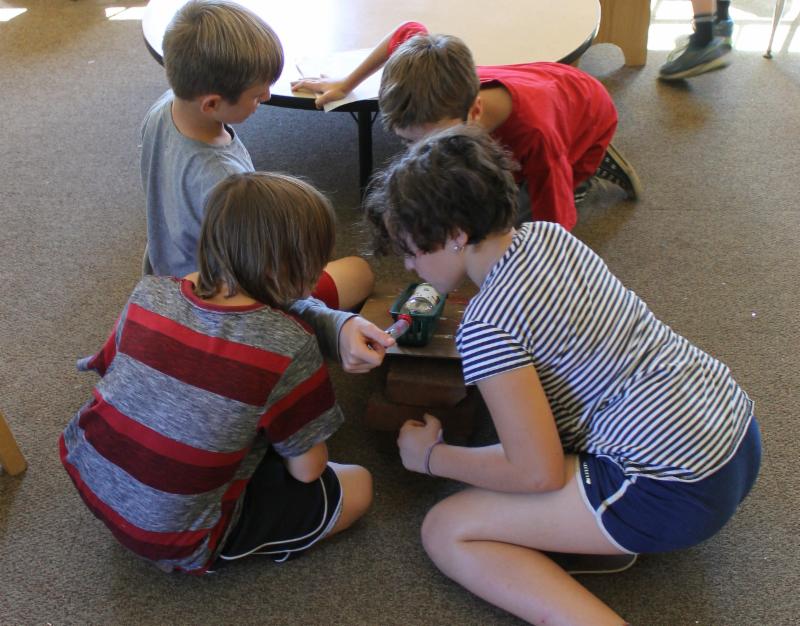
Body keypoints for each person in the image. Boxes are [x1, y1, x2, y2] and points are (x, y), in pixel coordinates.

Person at [363, 126, 760, 626]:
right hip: (735, 431)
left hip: (675, 492)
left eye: (411, 249)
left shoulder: (487, 326)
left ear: (457, 234)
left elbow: (538, 471)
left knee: (445, 529)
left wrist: (430, 458)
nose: (407, 264)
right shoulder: (549, 236)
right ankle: (595, 531)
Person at [60, 172, 396, 574]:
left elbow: (113, 372)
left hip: (89, 474)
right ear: (292, 266)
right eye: (318, 259)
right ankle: (241, 539)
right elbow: (308, 470)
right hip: (175, 537)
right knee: (358, 486)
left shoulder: (150, 291)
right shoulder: (289, 345)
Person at [292, 22, 641, 231]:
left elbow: (557, 231)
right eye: (409, 142)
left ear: (474, 112)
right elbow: (406, 30)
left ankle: (585, 174)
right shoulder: (436, 76)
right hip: (548, 88)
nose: (417, 154)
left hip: (587, 119)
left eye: (430, 142)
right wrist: (346, 84)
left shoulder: (538, 138)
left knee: (505, 225)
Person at [141, 0, 373, 311]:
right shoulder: (224, 178)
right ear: (211, 104)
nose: (266, 96)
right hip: (217, 302)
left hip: (168, 273)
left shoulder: (163, 109)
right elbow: (254, 276)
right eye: (256, 94)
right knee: (359, 271)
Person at [660, 1, 734, 81]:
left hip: (703, 41)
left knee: (703, 36)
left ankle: (702, 41)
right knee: (720, 15)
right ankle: (721, 19)